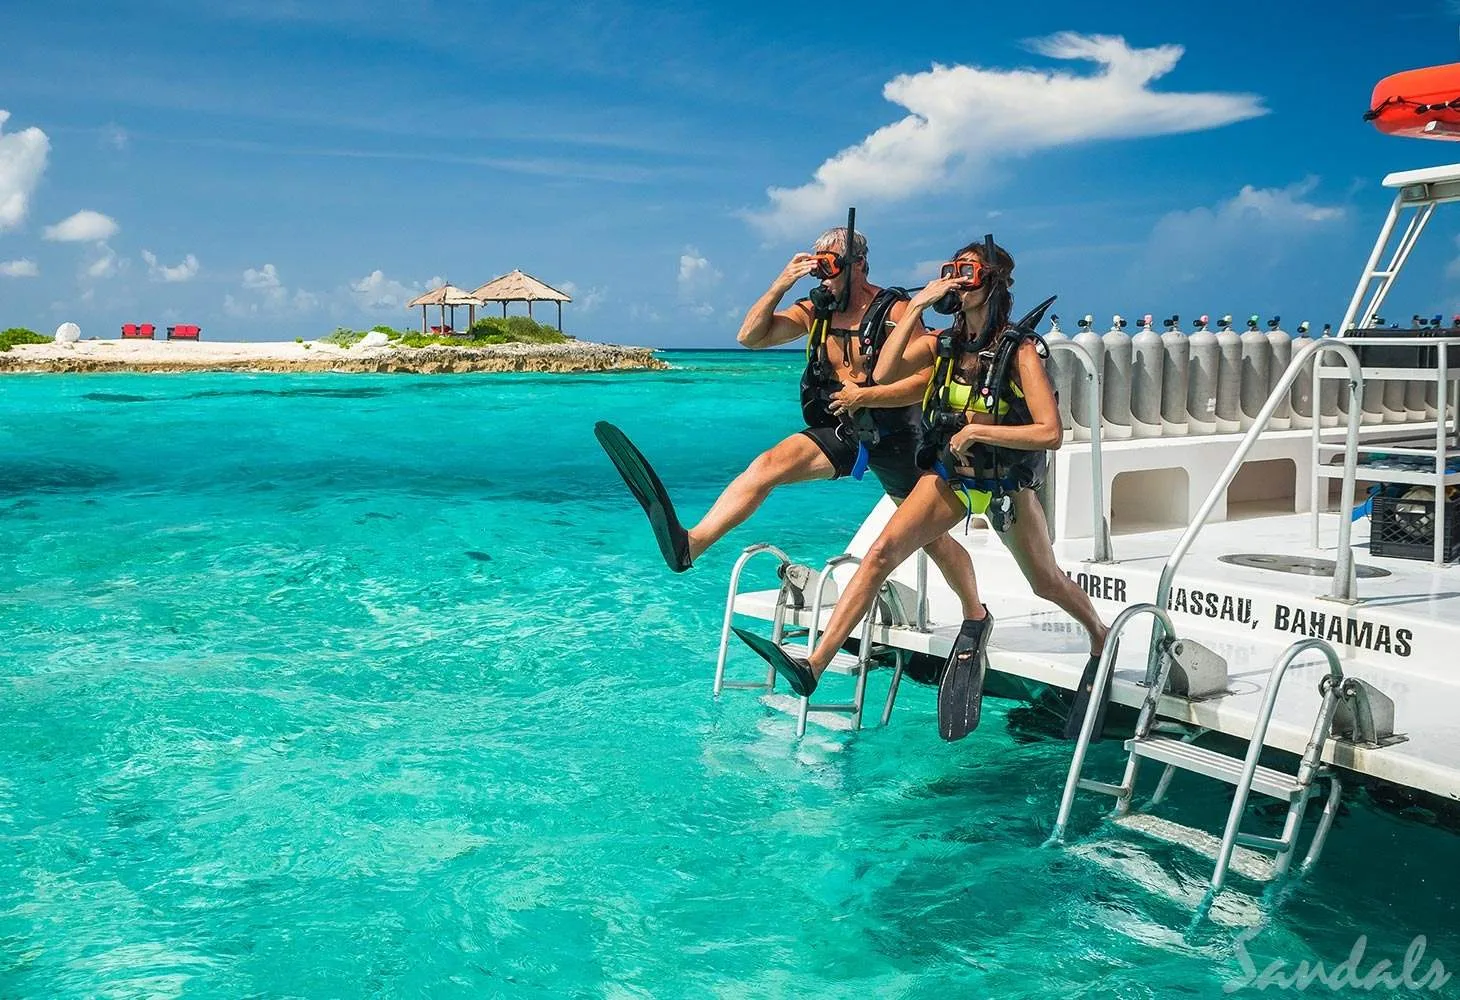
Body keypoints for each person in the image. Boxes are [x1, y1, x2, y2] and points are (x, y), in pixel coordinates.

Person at [732, 235, 1111, 742]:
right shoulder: (941, 343)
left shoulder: (1018, 352)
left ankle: (1100, 637)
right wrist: (918, 307)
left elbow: (1050, 433)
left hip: (1003, 486)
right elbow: (884, 371)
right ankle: (814, 665)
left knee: (1045, 582)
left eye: (968, 273)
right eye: (952, 269)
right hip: (952, 478)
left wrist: (980, 431)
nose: (958, 279)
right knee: (881, 552)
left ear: (993, 284)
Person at [595, 222, 987, 648]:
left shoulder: (893, 310)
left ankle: (974, 614)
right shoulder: (815, 309)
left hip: (898, 434)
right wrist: (781, 284)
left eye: (829, 265)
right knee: (767, 466)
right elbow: (750, 337)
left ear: (858, 265)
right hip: (845, 428)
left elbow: (927, 377)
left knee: (932, 539)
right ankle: (691, 545)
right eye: (816, 266)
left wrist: (869, 394)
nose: (822, 275)